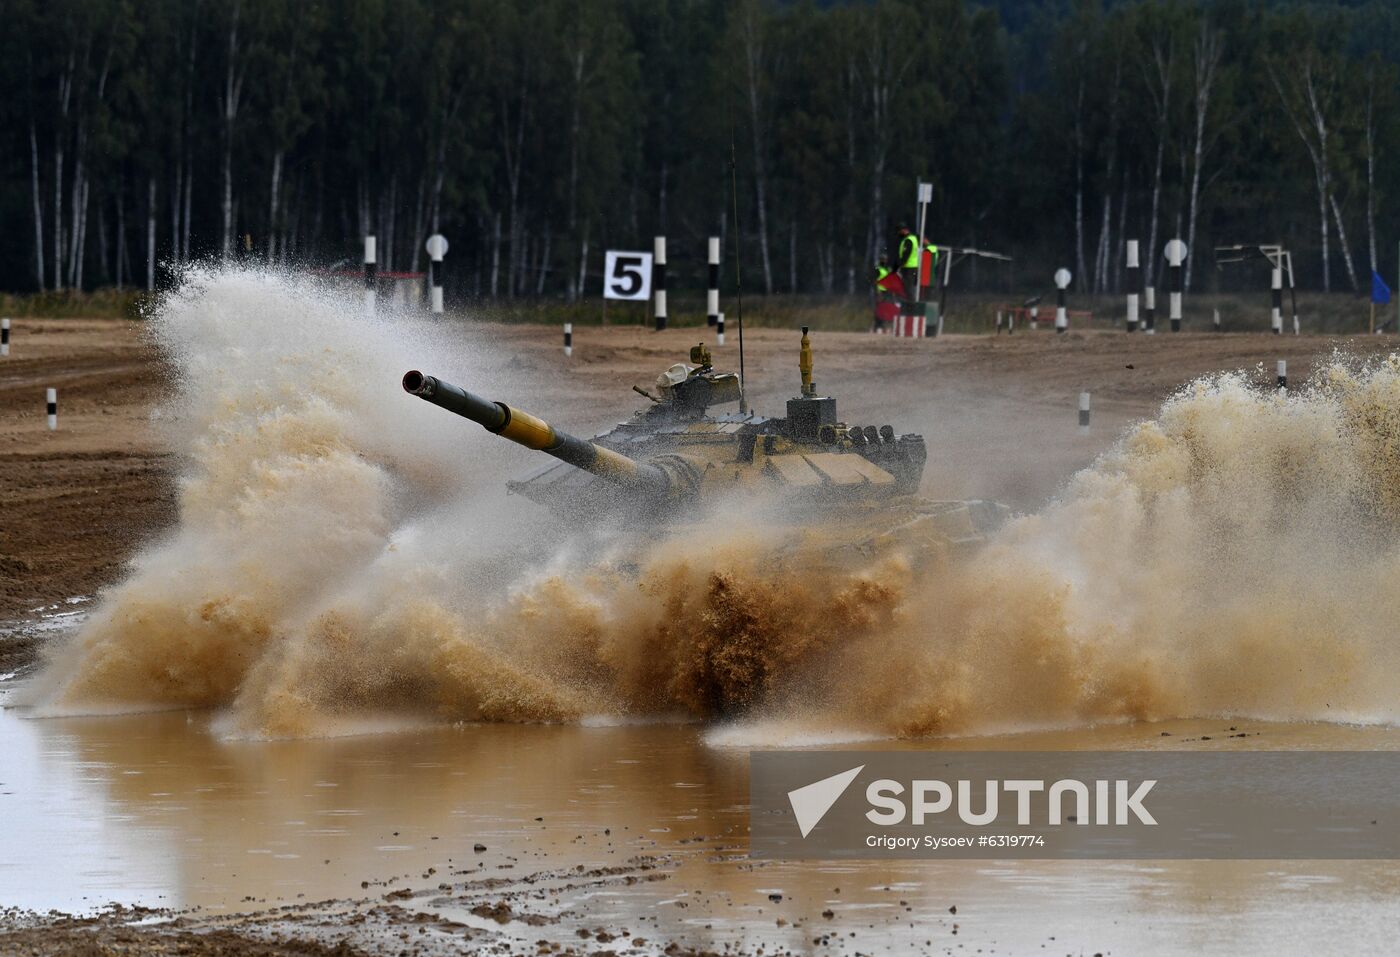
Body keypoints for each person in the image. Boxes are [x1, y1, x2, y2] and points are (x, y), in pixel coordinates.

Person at [896, 225, 920, 293]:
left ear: (904, 230)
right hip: (913, 267)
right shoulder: (913, 238)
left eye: (900, 231)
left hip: (908, 267)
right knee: (909, 288)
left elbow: (906, 254)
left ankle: (911, 303)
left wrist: (900, 265)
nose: (899, 233)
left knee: (908, 289)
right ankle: (910, 303)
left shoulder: (908, 240)